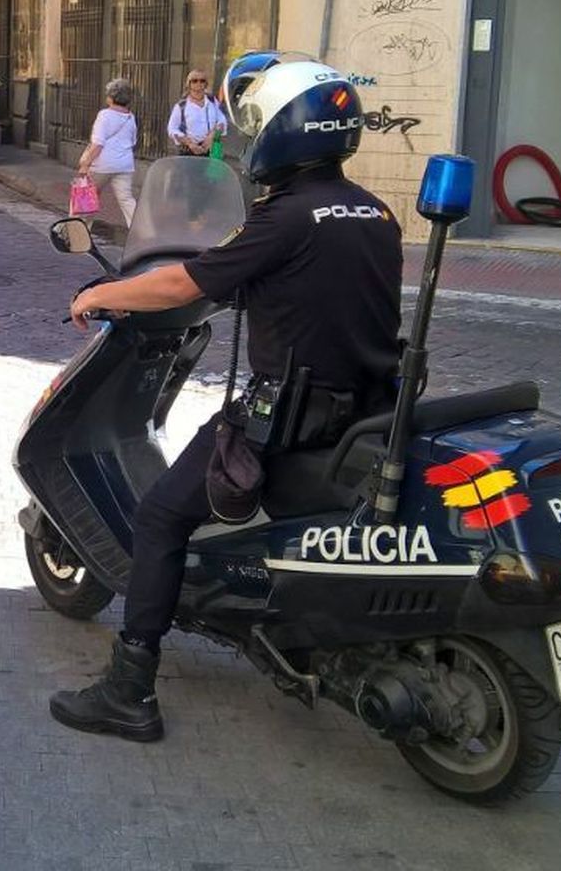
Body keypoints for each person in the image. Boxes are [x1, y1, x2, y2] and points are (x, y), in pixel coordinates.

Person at [48, 56, 403, 742]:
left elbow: (182, 286)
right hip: (364, 411)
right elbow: (312, 290)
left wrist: (99, 293)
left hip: (288, 421)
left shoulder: (287, 217)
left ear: (284, 131)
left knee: (158, 518)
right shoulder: (375, 212)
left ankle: (130, 690)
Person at [76, 78, 139, 225]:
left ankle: (80, 232)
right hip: (124, 164)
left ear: (111, 97)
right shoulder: (130, 117)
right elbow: (133, 141)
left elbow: (98, 144)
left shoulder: (104, 115)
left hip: (102, 164)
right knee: (126, 199)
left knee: (87, 197)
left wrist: (86, 164)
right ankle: (139, 232)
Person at [166, 70, 227, 156]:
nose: (198, 83)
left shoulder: (212, 102)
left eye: (202, 81)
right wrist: (189, 143)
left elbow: (222, 121)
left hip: (210, 151)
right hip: (188, 152)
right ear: (189, 84)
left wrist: (212, 136)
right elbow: (172, 129)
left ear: (206, 84)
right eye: (194, 81)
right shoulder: (181, 106)